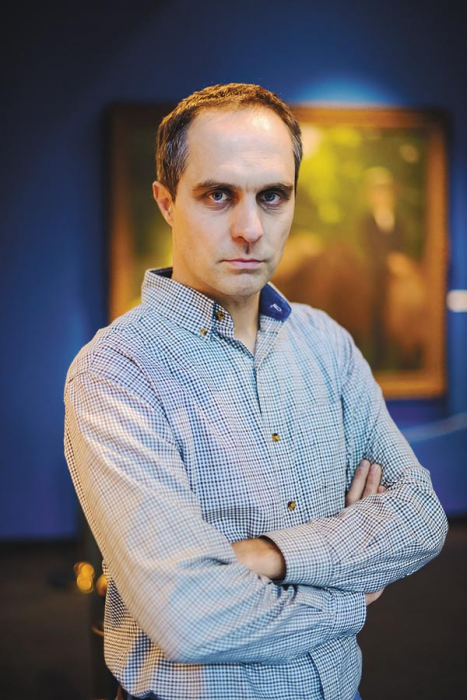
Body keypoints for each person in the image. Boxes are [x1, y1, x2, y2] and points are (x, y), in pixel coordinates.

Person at [64, 83, 447, 700]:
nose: (249, 229)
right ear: (167, 202)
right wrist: (349, 590)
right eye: (218, 195)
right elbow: (189, 615)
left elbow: (421, 518)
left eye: (272, 196)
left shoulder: (327, 344)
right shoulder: (116, 371)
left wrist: (268, 555)